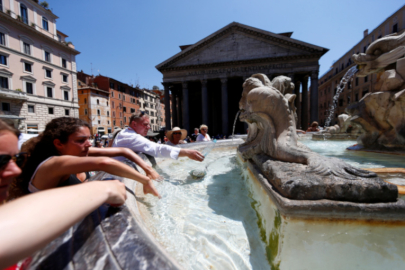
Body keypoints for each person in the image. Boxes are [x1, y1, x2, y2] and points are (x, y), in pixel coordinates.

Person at [0, 119, 127, 269]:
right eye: (2, 160)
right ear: (58, 143)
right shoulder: (54, 163)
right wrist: (104, 189)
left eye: (17, 159)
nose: (16, 170)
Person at [10, 117, 160, 199]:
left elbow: (123, 151)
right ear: (58, 144)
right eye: (81, 140)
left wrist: (148, 169)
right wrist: (145, 180)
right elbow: (104, 162)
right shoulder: (53, 163)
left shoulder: (76, 151)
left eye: (89, 138)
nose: (89, 144)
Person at [112, 111, 204, 162]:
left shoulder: (125, 132)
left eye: (149, 124)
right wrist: (187, 153)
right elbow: (157, 148)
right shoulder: (132, 137)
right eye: (145, 124)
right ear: (134, 124)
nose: (149, 127)